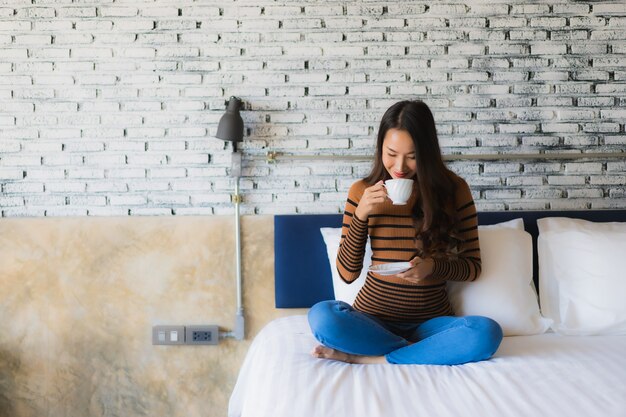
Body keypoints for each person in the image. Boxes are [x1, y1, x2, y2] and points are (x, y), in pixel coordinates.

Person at [308, 100, 503, 365]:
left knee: (486, 332)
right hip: (372, 320)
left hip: (430, 324)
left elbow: (472, 267)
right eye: (391, 153)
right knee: (323, 315)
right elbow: (347, 274)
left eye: (412, 156)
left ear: (428, 152)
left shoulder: (454, 190)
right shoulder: (361, 191)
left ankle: (371, 358)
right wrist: (360, 215)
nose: (400, 166)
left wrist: (432, 267)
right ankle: (424, 351)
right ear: (380, 148)